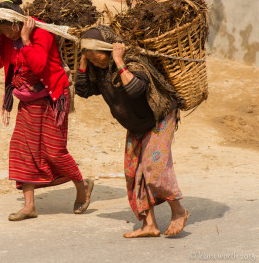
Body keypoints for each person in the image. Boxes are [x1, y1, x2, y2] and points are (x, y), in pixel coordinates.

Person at [75, 25, 189, 238]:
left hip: (159, 117)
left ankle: (179, 212)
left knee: (154, 168)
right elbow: (82, 91)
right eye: (91, 59)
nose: (95, 62)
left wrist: (118, 61)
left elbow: (136, 90)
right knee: (133, 172)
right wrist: (84, 60)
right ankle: (149, 225)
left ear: (109, 50)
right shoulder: (99, 70)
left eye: (97, 57)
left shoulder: (133, 60)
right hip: (136, 125)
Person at [0, 0, 93, 221]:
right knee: (22, 149)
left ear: (19, 24)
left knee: (54, 151)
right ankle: (29, 206)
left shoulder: (41, 34)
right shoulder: (5, 36)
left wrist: (25, 40)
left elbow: (37, 65)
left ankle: (82, 186)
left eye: (9, 31)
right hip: (28, 102)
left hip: (52, 98)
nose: (8, 36)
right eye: (3, 31)